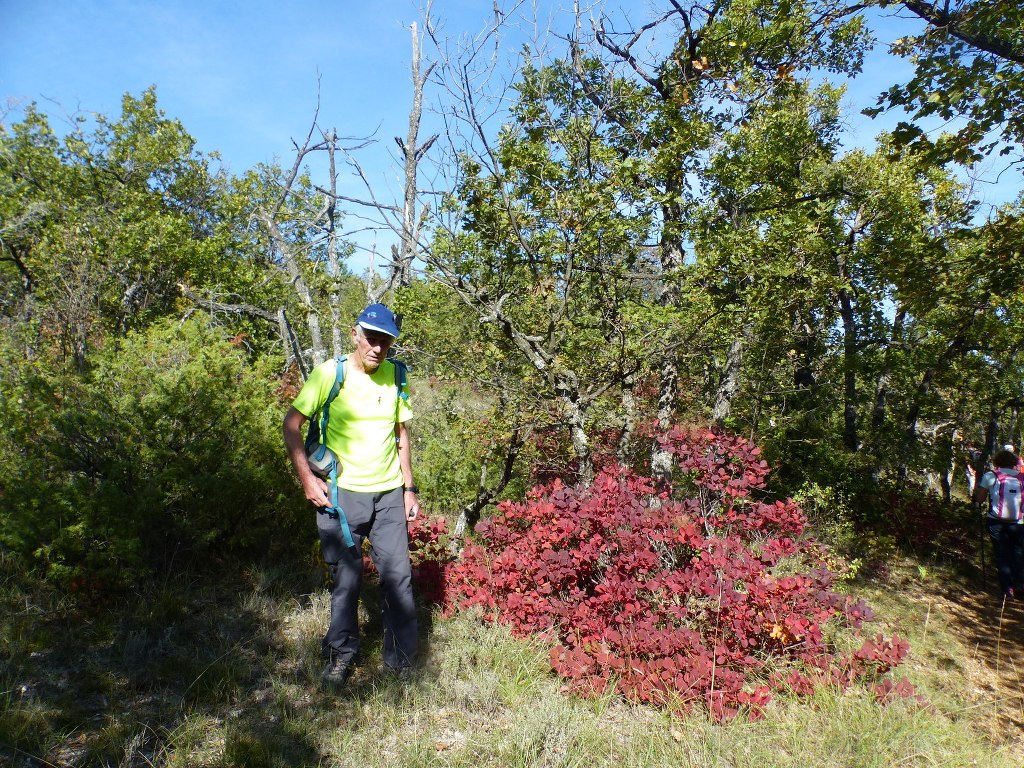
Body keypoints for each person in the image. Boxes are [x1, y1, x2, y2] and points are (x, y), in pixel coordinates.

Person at [283, 303, 420, 684]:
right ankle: (341, 656)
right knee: (346, 579)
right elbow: (292, 424)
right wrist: (308, 481)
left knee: (398, 576)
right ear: (356, 335)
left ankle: (402, 665)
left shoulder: (397, 376)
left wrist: (409, 488)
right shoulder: (331, 373)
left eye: (386, 343)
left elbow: (401, 433)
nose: (378, 349)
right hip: (341, 496)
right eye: (372, 339)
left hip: (389, 493)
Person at [974, 448, 1024, 600]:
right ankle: (1020, 584)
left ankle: (1007, 589)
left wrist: (977, 496)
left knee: (1002, 554)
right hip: (1019, 522)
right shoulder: (1022, 477)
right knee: (1018, 553)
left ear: (997, 462)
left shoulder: (991, 475)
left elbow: (980, 499)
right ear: (1014, 463)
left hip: (996, 521)